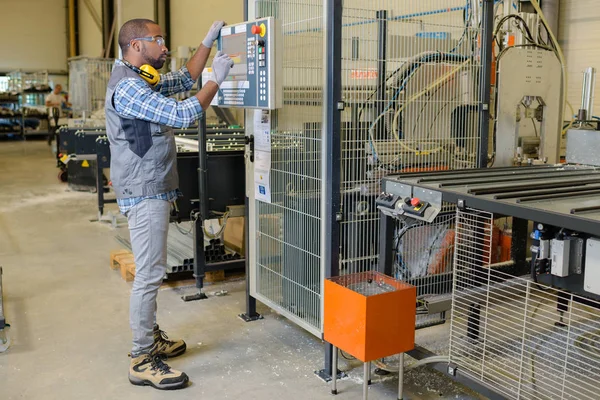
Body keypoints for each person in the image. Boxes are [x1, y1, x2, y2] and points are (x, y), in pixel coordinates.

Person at [105, 18, 233, 390]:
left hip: (153, 186)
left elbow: (182, 79)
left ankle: (152, 339)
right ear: (136, 45)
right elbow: (180, 114)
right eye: (158, 40)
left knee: (151, 271)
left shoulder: (141, 74)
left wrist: (207, 43)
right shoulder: (127, 86)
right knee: (148, 275)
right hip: (143, 190)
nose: (164, 46)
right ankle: (142, 356)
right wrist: (218, 80)